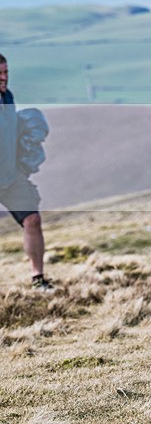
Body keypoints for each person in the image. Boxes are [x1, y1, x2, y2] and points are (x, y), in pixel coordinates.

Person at [0, 53, 52, 291]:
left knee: (33, 219)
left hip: (11, 176)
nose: (4, 78)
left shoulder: (7, 97)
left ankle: (38, 279)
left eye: (6, 73)